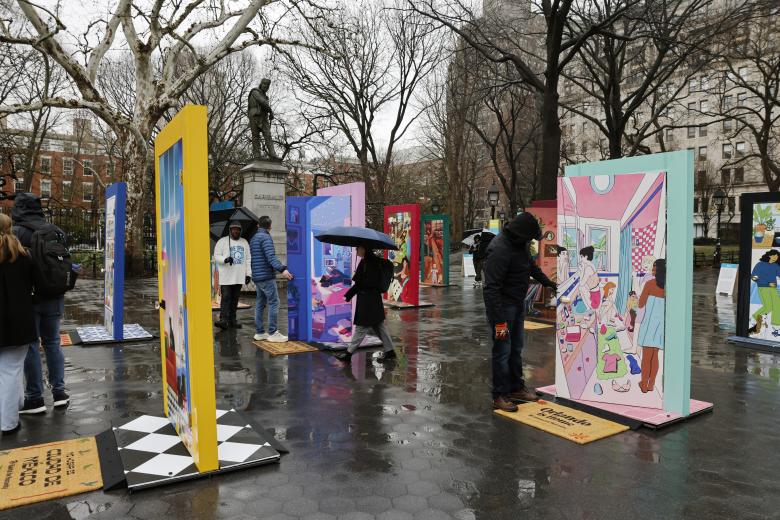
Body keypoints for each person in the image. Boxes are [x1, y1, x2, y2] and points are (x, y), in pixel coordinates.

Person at [483, 213, 557, 412]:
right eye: (529, 237)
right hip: (501, 310)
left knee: (516, 347)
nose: (530, 241)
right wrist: (499, 321)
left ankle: (515, 387)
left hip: (516, 305)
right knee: (502, 351)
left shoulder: (519, 244)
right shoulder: (499, 250)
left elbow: (531, 267)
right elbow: (490, 288)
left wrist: (548, 283)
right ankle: (499, 395)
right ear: (521, 233)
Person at [12, 193, 68, 414]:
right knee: (53, 342)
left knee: (32, 345)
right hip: (54, 295)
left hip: (29, 298)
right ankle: (60, 393)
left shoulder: (16, 232)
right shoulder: (55, 230)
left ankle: (34, 398)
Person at [0, 214, 38, 434]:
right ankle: (8, 422)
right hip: (19, 321)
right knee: (11, 371)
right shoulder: (23, 255)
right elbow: (35, 286)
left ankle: (10, 414)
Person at [336, 246, 396, 363]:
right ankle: (390, 352)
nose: (356, 250)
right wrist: (349, 293)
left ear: (364, 249)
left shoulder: (368, 263)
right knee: (379, 327)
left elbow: (361, 284)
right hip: (373, 300)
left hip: (367, 301)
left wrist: (348, 295)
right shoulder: (372, 261)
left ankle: (348, 354)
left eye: (357, 248)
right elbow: (361, 283)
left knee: (361, 328)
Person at [250, 216, 293, 342]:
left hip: (257, 276)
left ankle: (259, 332)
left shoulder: (254, 238)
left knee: (260, 303)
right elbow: (271, 257)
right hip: (266, 276)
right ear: (270, 227)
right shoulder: (266, 237)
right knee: (274, 302)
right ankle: (273, 333)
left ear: (258, 225)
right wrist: (283, 269)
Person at [213, 221, 252, 330]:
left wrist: (248, 274)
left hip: (239, 276)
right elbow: (216, 255)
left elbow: (248, 259)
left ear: (240, 230)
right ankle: (223, 320)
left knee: (235, 299)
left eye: (238, 229)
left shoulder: (244, 242)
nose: (236, 231)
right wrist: (225, 259)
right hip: (226, 277)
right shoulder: (222, 241)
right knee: (226, 298)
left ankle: (232, 320)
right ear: (230, 230)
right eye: (233, 229)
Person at [637, 259, 666, 393]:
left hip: (649, 325)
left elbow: (640, 304)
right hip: (660, 326)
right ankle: (651, 384)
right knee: (655, 356)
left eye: (654, 267)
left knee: (646, 357)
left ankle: (643, 385)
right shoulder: (667, 286)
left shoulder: (649, 284)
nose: (652, 269)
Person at [748, 249, 780, 335]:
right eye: (774, 256)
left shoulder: (776, 266)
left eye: (777, 257)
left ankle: (776, 325)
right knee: (768, 306)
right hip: (763, 288)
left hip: (773, 288)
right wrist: (765, 282)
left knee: (777, 305)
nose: (775, 258)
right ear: (769, 255)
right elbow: (753, 277)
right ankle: (756, 316)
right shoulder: (760, 265)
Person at [577, 246, 601, 310]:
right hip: (595, 294)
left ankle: (589, 308)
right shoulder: (590, 265)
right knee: (581, 287)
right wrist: (582, 269)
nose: (581, 259)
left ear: (586, 256)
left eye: (581, 256)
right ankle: (589, 309)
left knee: (580, 287)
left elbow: (582, 283)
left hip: (594, 300)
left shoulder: (588, 268)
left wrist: (581, 269)